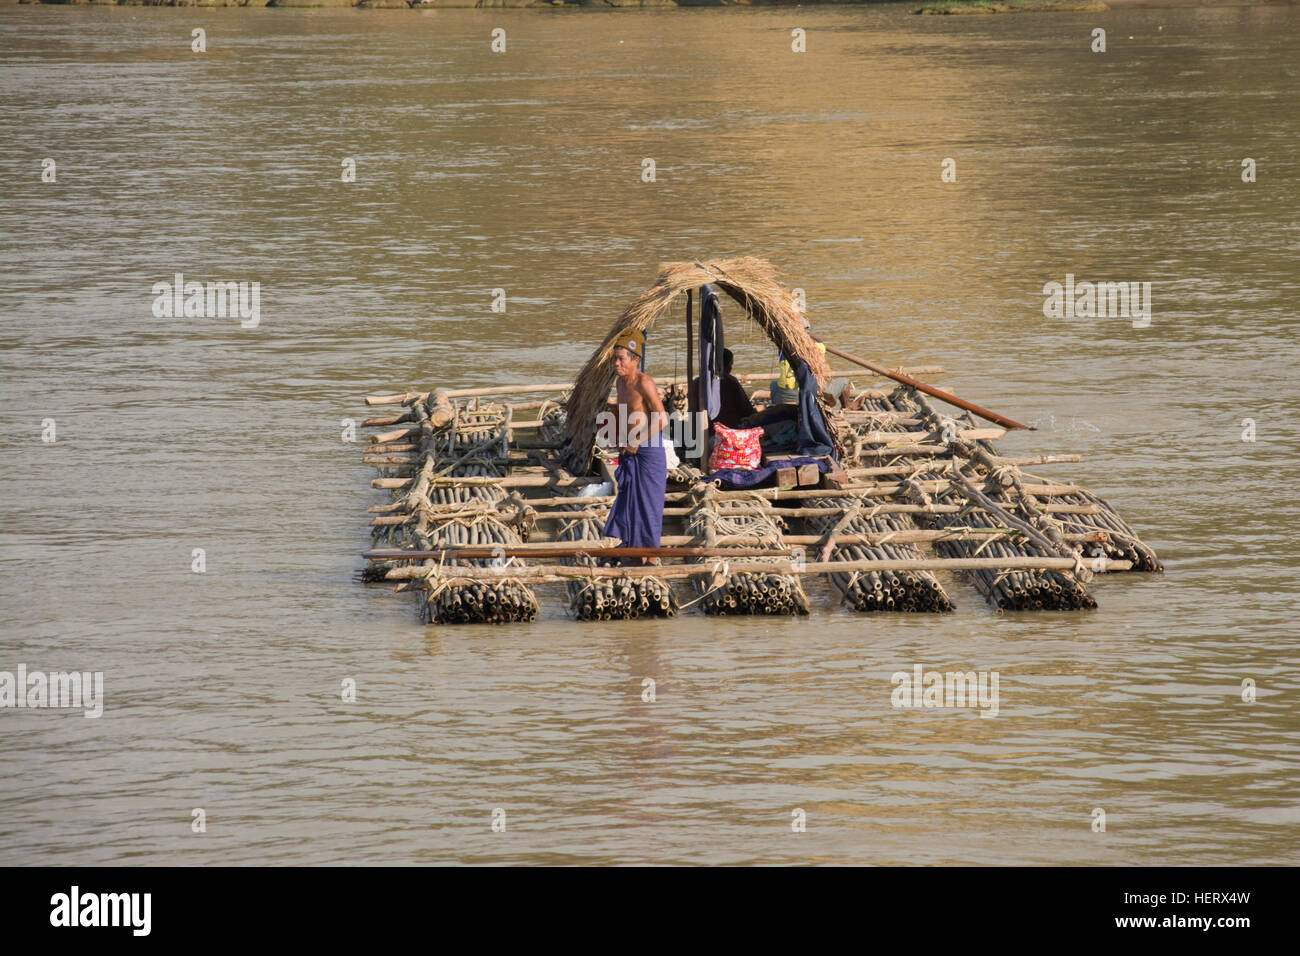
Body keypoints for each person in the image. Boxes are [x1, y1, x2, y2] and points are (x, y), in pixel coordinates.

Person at [603, 329, 668, 565]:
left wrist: (636, 441)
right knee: (629, 498)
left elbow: (662, 419)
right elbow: (625, 413)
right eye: (615, 359)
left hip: (648, 450)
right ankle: (632, 544)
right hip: (630, 449)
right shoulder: (620, 383)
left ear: (635, 360)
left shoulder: (644, 383)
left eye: (621, 359)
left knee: (648, 504)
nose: (616, 363)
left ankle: (650, 555)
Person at [689, 348, 757, 429]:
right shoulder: (731, 382)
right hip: (727, 429)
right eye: (731, 364)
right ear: (727, 365)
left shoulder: (697, 382)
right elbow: (746, 410)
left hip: (698, 428)